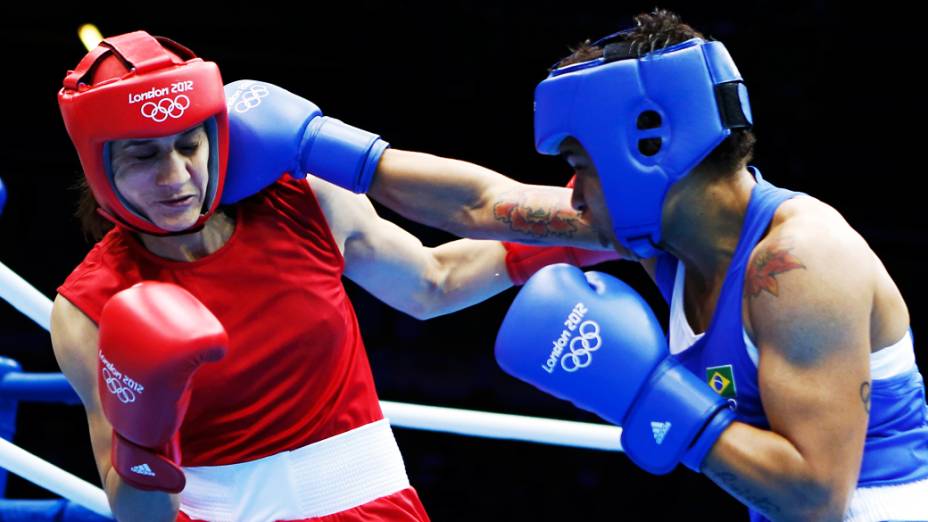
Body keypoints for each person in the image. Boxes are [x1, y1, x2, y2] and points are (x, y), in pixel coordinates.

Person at [49, 31, 616, 521]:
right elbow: (138, 514)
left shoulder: (302, 200)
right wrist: (146, 432)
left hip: (373, 505)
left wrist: (577, 238)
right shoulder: (87, 309)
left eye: (188, 145)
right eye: (143, 158)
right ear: (101, 166)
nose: (176, 177)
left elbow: (432, 281)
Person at [494, 9, 928, 522]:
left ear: (646, 149)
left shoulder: (804, 258)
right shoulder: (669, 248)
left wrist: (654, 393)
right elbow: (476, 206)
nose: (578, 199)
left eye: (581, 170)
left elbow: (817, 503)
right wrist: (372, 164)